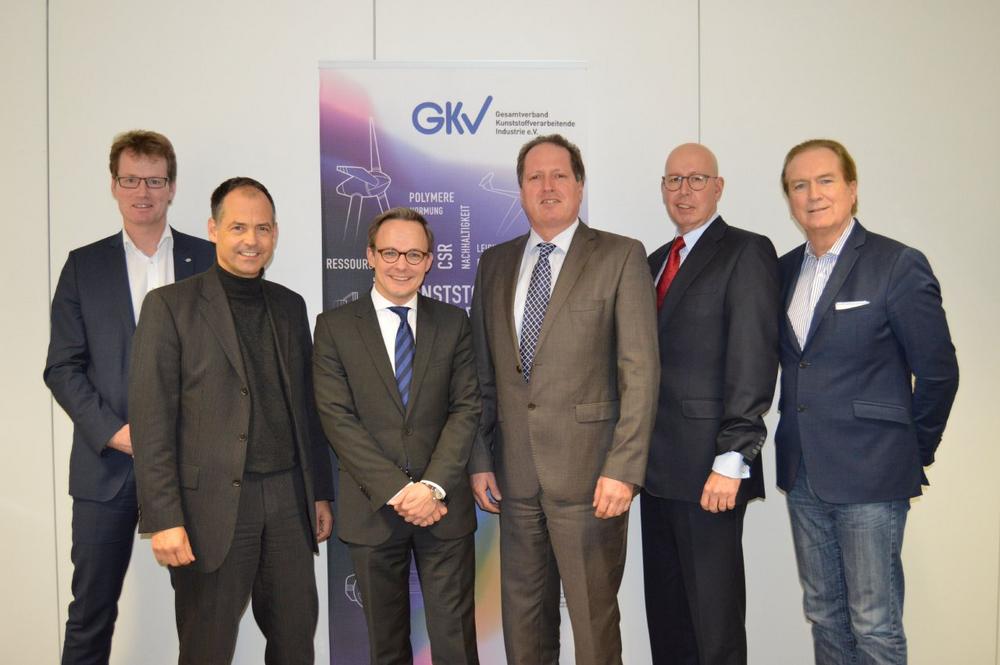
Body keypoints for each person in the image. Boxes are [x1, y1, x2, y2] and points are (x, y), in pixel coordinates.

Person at [468, 134, 659, 665]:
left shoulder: (620, 256)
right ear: (521, 190)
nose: (547, 186)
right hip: (514, 479)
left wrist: (623, 469)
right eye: (535, 177)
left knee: (593, 625)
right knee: (523, 625)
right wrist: (480, 459)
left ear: (579, 184)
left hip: (593, 478)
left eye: (559, 175)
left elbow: (640, 372)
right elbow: (481, 375)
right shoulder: (494, 263)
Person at [128, 177, 335, 665]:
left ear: (275, 233)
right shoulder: (169, 306)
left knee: (295, 642)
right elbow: (151, 420)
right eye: (238, 227)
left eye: (262, 228)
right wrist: (165, 518)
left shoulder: (290, 306)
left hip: (287, 500)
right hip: (212, 510)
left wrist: (319, 492)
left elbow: (306, 408)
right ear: (213, 229)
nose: (251, 240)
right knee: (207, 647)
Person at [776, 139, 959, 664]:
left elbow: (939, 373)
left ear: (852, 189)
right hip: (803, 473)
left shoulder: (896, 264)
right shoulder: (783, 270)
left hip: (873, 474)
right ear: (789, 199)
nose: (813, 195)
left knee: (874, 624)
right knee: (824, 614)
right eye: (799, 185)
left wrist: (909, 451)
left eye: (825, 180)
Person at [44, 130, 215, 665]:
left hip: (192, 467)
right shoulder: (84, 266)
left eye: (155, 181)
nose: (143, 192)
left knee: (202, 616)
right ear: (114, 185)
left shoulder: (209, 260)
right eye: (131, 180)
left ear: (172, 187)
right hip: (106, 467)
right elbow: (62, 367)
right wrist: (118, 434)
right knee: (90, 613)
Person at [313, 207, 482, 664]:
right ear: (370, 255)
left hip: (442, 508)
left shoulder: (453, 323)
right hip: (373, 509)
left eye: (413, 254)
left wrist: (431, 488)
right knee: (386, 647)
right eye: (390, 252)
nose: (401, 264)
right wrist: (400, 491)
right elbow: (337, 418)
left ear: (429, 261)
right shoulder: (334, 327)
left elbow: (466, 408)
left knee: (456, 645)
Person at [642, 143, 780, 665]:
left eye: (697, 179)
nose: (684, 190)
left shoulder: (746, 251)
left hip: (711, 473)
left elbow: (753, 357)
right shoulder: (655, 261)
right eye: (674, 180)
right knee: (668, 619)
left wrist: (734, 456)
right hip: (654, 473)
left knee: (714, 624)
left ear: (718, 188)